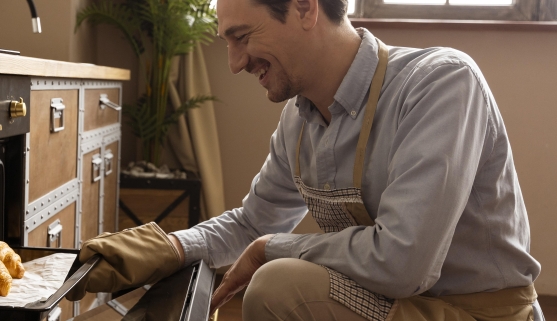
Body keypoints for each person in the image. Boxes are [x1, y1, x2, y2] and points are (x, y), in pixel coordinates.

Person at [64, 0, 543, 319]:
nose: (233, 62)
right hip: (395, 304)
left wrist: (274, 248)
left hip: (474, 311)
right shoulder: (299, 120)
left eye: (241, 36)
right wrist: (167, 248)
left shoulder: (440, 84)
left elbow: (403, 262)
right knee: (229, 301)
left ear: (305, 7)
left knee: (276, 286)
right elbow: (253, 225)